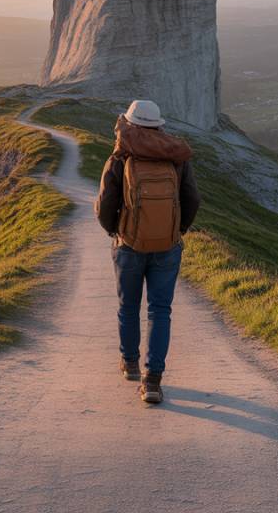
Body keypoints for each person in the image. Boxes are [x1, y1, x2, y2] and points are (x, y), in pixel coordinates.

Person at [95, 99, 200, 404]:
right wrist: (176, 231)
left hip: (128, 245)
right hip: (167, 247)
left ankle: (129, 364)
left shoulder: (120, 156)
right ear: (158, 125)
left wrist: (115, 231)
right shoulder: (176, 157)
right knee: (160, 310)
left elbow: (104, 204)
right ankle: (152, 381)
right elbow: (192, 199)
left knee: (128, 307)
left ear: (130, 124)